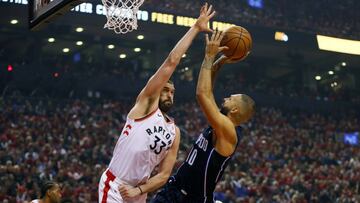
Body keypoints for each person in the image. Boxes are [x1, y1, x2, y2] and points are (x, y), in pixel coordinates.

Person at [98, 3, 216, 203]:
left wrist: (140, 190)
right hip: (115, 186)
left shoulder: (174, 132)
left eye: (173, 92)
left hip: (138, 193)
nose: (170, 94)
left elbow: (163, 175)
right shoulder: (146, 104)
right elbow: (172, 61)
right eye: (166, 90)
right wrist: (195, 28)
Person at [152, 30, 255, 203]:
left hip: (193, 199)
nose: (224, 98)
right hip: (174, 188)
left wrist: (209, 55)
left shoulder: (228, 131)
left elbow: (202, 94)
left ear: (236, 110)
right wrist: (220, 60)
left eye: (230, 98)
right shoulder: (220, 122)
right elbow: (207, 89)